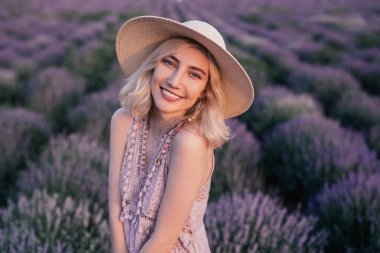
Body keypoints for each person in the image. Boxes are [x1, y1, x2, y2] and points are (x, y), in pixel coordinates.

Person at [108, 15, 254, 253]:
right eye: (170, 62)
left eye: (194, 74)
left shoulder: (190, 143)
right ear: (154, 64)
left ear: (205, 92)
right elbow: (116, 202)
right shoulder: (123, 121)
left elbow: (164, 240)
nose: (175, 81)